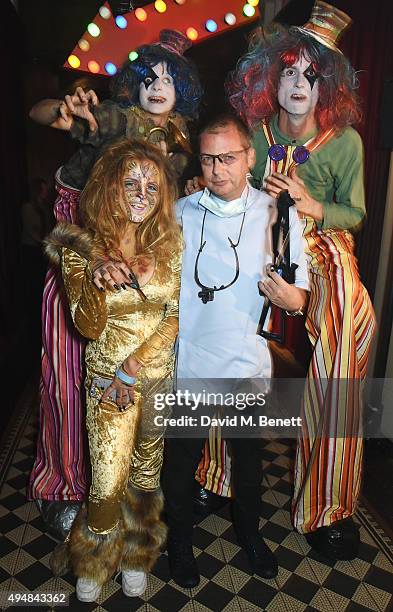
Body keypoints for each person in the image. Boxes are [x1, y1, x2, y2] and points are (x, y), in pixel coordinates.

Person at [28, 29, 202, 537]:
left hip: (143, 275)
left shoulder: (182, 142)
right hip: (84, 254)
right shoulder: (113, 116)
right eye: (149, 74)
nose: (157, 85)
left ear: (184, 90)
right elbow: (43, 114)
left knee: (140, 384)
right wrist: (63, 109)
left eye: (170, 79)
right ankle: (64, 488)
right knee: (66, 374)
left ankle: (122, 494)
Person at [228, 0, 376, 560]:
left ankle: (328, 507)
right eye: (290, 71)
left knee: (347, 337)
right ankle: (212, 474)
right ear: (274, 76)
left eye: (311, 77)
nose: (298, 84)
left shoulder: (346, 143)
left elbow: (354, 214)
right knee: (224, 338)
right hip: (258, 239)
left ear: (326, 88)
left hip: (321, 245)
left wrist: (313, 204)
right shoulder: (255, 132)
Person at [161, 115, 309, 587]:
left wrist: (293, 298)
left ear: (249, 157)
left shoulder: (278, 215)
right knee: (179, 465)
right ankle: (179, 543)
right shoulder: (181, 212)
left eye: (228, 157)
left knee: (248, 466)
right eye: (208, 158)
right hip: (191, 364)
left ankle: (251, 535)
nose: (217, 168)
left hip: (247, 366)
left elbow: (300, 292)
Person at [46, 138, 181, 602]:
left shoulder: (169, 243)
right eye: (131, 183)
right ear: (111, 187)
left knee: (146, 476)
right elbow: (86, 326)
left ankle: (136, 556)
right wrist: (93, 276)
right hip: (108, 383)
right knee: (107, 479)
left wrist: (136, 365)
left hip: (155, 377)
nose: (142, 193)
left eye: (152, 185)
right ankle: (95, 558)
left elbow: (174, 314)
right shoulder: (87, 249)